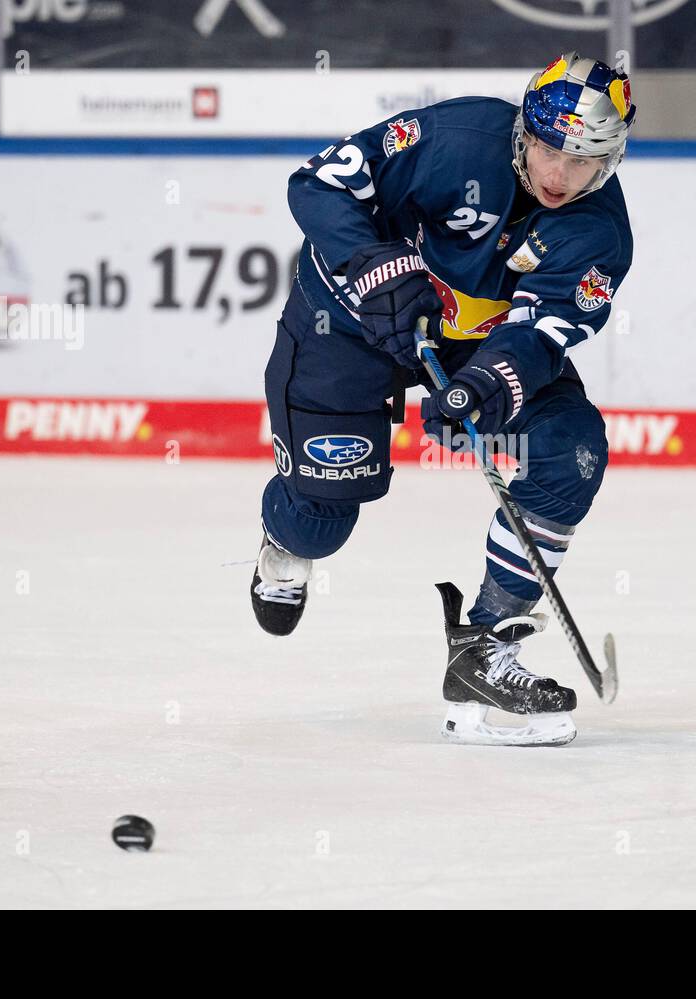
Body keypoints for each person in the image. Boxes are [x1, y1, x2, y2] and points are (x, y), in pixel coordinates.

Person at [252, 53, 635, 745]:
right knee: (321, 520)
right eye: (549, 148)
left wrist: (492, 384)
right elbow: (318, 184)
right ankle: (284, 540)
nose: (558, 175)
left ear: (610, 158)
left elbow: (540, 335)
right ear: (524, 128)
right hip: (349, 315)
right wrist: (375, 265)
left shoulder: (597, 236)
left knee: (570, 450)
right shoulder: (454, 139)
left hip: (469, 347)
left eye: (581, 161)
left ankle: (483, 647)